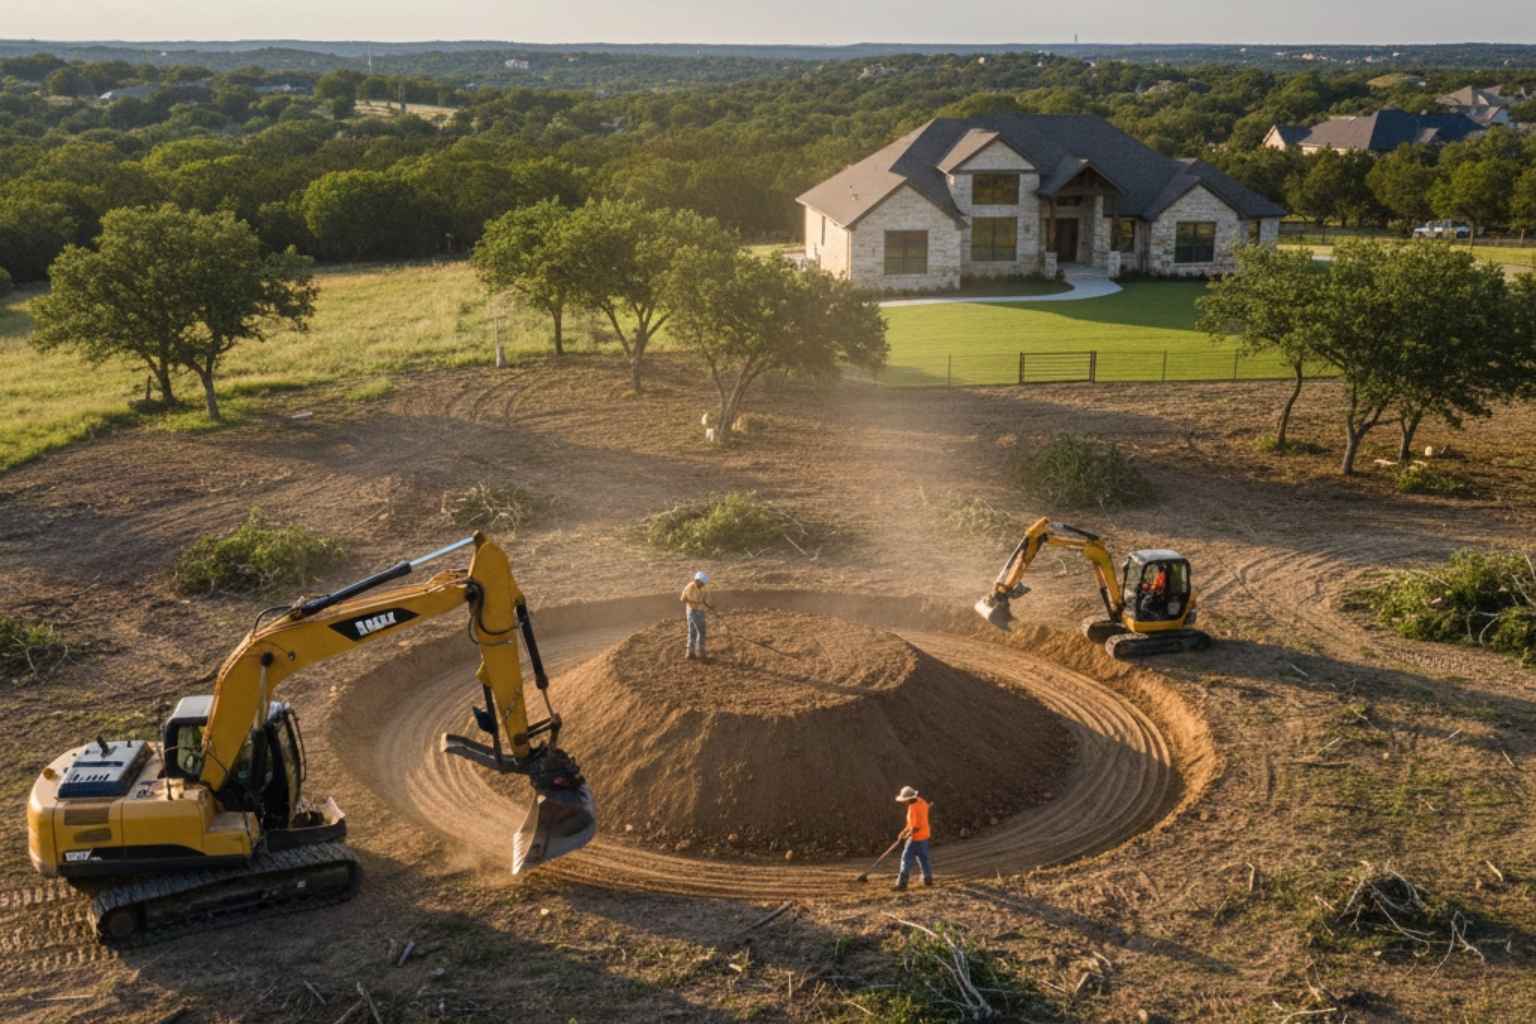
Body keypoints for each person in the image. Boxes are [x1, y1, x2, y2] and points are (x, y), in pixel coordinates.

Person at [892, 785, 933, 891]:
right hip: (925, 836)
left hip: (915, 838)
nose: (903, 803)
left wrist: (906, 836)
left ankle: (902, 883)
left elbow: (914, 827)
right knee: (924, 858)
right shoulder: (922, 802)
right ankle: (928, 879)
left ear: (908, 799)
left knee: (906, 859)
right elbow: (913, 824)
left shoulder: (912, 808)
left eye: (904, 800)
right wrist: (904, 832)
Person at [681, 571, 712, 661]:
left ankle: (690, 653)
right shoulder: (689, 587)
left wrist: (710, 606)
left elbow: (706, 600)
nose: (703, 584)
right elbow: (683, 599)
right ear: (697, 580)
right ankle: (701, 652)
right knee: (701, 632)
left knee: (692, 631)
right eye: (702, 582)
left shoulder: (704, 588)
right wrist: (695, 603)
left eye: (703, 583)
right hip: (693, 611)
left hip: (697, 610)